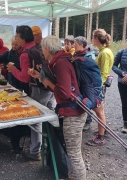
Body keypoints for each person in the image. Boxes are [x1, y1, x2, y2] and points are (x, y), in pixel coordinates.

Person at [29, 35, 87, 180]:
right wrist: (41, 77)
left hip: (73, 112)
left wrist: (49, 84)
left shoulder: (60, 63)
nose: (42, 51)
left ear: (47, 49)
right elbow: (60, 86)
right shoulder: (59, 61)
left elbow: (64, 92)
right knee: (73, 152)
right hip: (72, 110)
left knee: (74, 155)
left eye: (42, 48)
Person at [7, 25, 56, 161]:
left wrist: (13, 69)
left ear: (22, 37)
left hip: (39, 88)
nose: (15, 39)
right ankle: (51, 144)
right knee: (50, 116)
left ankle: (35, 151)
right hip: (51, 87)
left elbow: (25, 77)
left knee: (36, 120)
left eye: (17, 36)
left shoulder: (25, 53)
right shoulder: (39, 47)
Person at [86, 29, 114, 146]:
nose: (92, 40)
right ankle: (103, 130)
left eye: (93, 37)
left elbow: (104, 73)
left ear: (96, 39)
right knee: (100, 110)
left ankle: (101, 137)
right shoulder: (104, 51)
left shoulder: (105, 53)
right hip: (99, 85)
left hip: (99, 86)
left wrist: (97, 87)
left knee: (99, 111)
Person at [74, 36, 93, 131]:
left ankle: (88, 121)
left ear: (81, 45)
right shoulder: (76, 54)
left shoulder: (88, 55)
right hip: (78, 82)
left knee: (87, 100)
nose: (74, 46)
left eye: (75, 44)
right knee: (81, 100)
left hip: (86, 83)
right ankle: (81, 119)